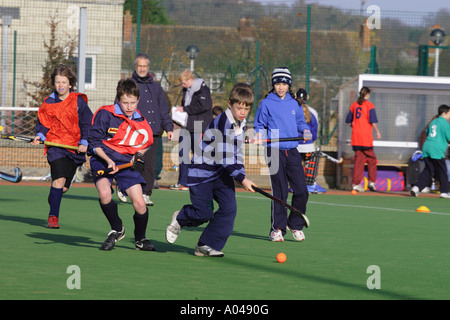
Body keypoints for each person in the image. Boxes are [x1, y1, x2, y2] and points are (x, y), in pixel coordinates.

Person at [165, 83, 256, 257]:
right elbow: (224, 156)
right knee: (203, 213)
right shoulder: (222, 122)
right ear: (230, 104)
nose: (243, 112)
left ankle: (206, 244)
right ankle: (181, 218)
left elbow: (236, 152)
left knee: (229, 209)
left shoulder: (240, 123)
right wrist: (241, 178)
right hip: (203, 172)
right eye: (239, 108)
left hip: (221, 173)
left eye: (247, 108)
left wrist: (241, 173)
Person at [88, 78, 155, 251]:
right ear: (118, 100)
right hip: (103, 159)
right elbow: (94, 142)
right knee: (104, 194)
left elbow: (147, 142)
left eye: (133, 102)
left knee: (140, 204)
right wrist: (108, 160)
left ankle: (140, 239)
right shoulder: (105, 114)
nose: (129, 107)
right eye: (125, 103)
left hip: (126, 162)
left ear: (138, 100)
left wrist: (138, 155)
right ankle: (117, 229)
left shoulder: (141, 121)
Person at [253, 67, 312, 242]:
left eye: (284, 84)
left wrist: (306, 130)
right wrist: (259, 135)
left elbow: (300, 122)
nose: (281, 87)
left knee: (302, 190)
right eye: (278, 83)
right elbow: (259, 125)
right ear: (273, 85)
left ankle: (295, 224)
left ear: (289, 85)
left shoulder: (294, 103)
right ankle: (277, 228)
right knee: (280, 191)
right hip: (274, 150)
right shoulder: (265, 103)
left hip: (292, 150)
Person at [32, 64, 93, 229]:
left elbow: (87, 123)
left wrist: (85, 142)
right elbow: (43, 123)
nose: (60, 85)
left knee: (63, 187)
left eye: (64, 82)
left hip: (74, 148)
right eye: (57, 82)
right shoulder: (48, 103)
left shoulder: (78, 101)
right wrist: (40, 135)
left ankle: (55, 195)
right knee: (58, 180)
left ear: (70, 84)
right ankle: (53, 217)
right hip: (56, 146)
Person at [117, 54, 173, 205]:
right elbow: (119, 106)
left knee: (150, 165)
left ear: (148, 68)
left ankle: (146, 193)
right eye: (139, 66)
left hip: (153, 133)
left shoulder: (156, 87)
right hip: (135, 132)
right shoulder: (129, 85)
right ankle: (123, 187)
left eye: (145, 66)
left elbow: (163, 109)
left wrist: (168, 127)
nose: (142, 69)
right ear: (135, 67)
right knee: (134, 163)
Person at [170, 69, 213, 191]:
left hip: (199, 125)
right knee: (182, 153)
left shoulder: (203, 89)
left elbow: (205, 106)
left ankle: (198, 182)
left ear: (190, 79)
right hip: (187, 125)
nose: (182, 85)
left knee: (198, 154)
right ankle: (183, 182)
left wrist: (185, 109)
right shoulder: (186, 90)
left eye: (184, 83)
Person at [345, 86, 381, 192]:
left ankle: (355, 183)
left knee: (359, 161)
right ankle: (371, 181)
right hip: (365, 138)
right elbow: (372, 121)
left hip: (356, 137)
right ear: (367, 95)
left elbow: (348, 121)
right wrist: (378, 132)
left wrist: (355, 127)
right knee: (372, 159)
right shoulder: (369, 105)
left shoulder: (354, 105)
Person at [411, 104, 450, 198]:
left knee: (428, 170)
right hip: (436, 150)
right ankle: (444, 191)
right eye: (449, 114)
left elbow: (428, 132)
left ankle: (416, 187)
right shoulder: (444, 123)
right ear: (444, 113)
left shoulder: (434, 121)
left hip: (427, 147)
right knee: (442, 170)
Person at [295, 88, 326, 194]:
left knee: (295, 167)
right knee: (311, 163)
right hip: (308, 146)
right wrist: (311, 140)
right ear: (306, 99)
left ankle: (295, 185)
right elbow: (314, 131)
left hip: (295, 146)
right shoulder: (313, 112)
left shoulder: (291, 110)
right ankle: (311, 185)